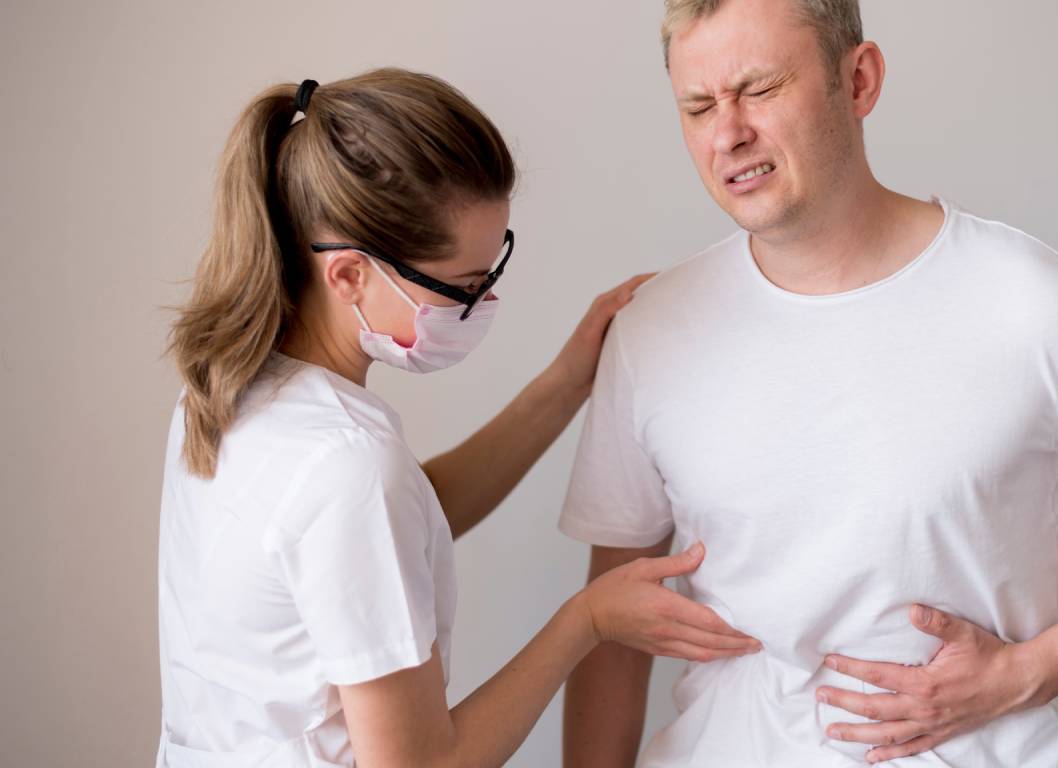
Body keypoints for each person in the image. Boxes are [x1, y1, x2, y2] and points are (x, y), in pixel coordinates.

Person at [558, 1, 1058, 766]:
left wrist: (1026, 674)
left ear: (860, 80)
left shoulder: (1031, 305)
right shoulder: (652, 330)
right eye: (699, 106)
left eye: (761, 90)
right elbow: (613, 628)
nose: (728, 133)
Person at [157, 68, 760, 768]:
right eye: (463, 288)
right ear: (349, 274)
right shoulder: (345, 465)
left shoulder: (227, 388)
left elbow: (402, 523)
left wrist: (564, 384)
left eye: (491, 271)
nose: (482, 305)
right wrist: (586, 620)